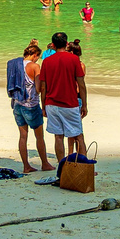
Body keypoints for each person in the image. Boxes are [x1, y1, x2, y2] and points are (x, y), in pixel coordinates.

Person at [40, 31, 88, 161]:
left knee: (58, 137)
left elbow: (43, 87)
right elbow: (81, 84)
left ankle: (61, 167)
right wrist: (84, 104)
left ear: (53, 45)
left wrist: (43, 106)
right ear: (67, 44)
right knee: (78, 136)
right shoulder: (74, 59)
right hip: (70, 103)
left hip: (51, 104)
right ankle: (83, 167)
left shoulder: (46, 61)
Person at [7, 41, 51, 172]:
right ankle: (45, 164)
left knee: (23, 136)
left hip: (17, 104)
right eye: (38, 57)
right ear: (35, 55)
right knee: (39, 137)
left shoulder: (16, 64)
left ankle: (26, 166)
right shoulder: (34, 67)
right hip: (31, 105)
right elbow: (38, 88)